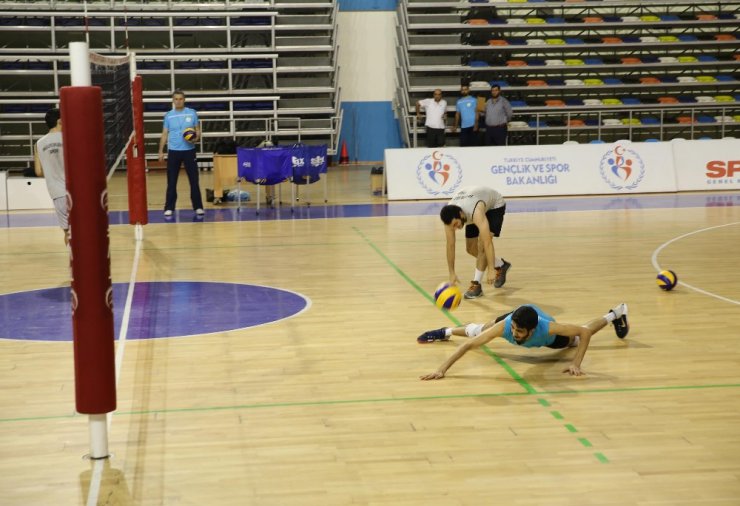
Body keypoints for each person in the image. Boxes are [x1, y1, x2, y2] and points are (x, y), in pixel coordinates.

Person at [418, 303, 629, 379]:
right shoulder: (507, 326)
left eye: (519, 332)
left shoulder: (549, 329)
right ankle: (445, 331)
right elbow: (468, 346)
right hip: (520, 312)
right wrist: (442, 369)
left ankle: (615, 313)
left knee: (575, 340)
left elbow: (584, 332)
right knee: (480, 331)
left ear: (532, 331)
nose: (514, 334)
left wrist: (576, 363)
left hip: (551, 337)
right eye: (514, 330)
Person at [440, 186, 511, 299]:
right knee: (471, 249)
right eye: (453, 226)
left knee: (482, 245)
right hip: (474, 204)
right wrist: (452, 272)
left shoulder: (475, 211)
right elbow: (450, 246)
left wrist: (491, 269)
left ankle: (476, 284)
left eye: (456, 224)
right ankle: (501, 265)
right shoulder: (449, 218)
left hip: (494, 207)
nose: (456, 228)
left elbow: (487, 242)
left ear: (461, 214)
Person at [158, 89, 204, 216]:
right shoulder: (168, 115)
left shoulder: (192, 113)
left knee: (194, 180)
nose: (178, 101)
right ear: (173, 101)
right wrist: (161, 151)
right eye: (176, 99)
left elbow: (198, 131)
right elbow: (164, 134)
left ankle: (198, 207)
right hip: (173, 152)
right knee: (171, 181)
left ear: (184, 100)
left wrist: (196, 138)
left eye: (180, 99)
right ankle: (169, 207)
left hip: (189, 151)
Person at [34, 108, 69, 246]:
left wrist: (51, 171)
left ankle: (73, 263)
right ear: (60, 121)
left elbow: (38, 172)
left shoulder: (38, 143)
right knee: (83, 229)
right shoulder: (69, 138)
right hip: (74, 192)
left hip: (56, 193)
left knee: (68, 233)